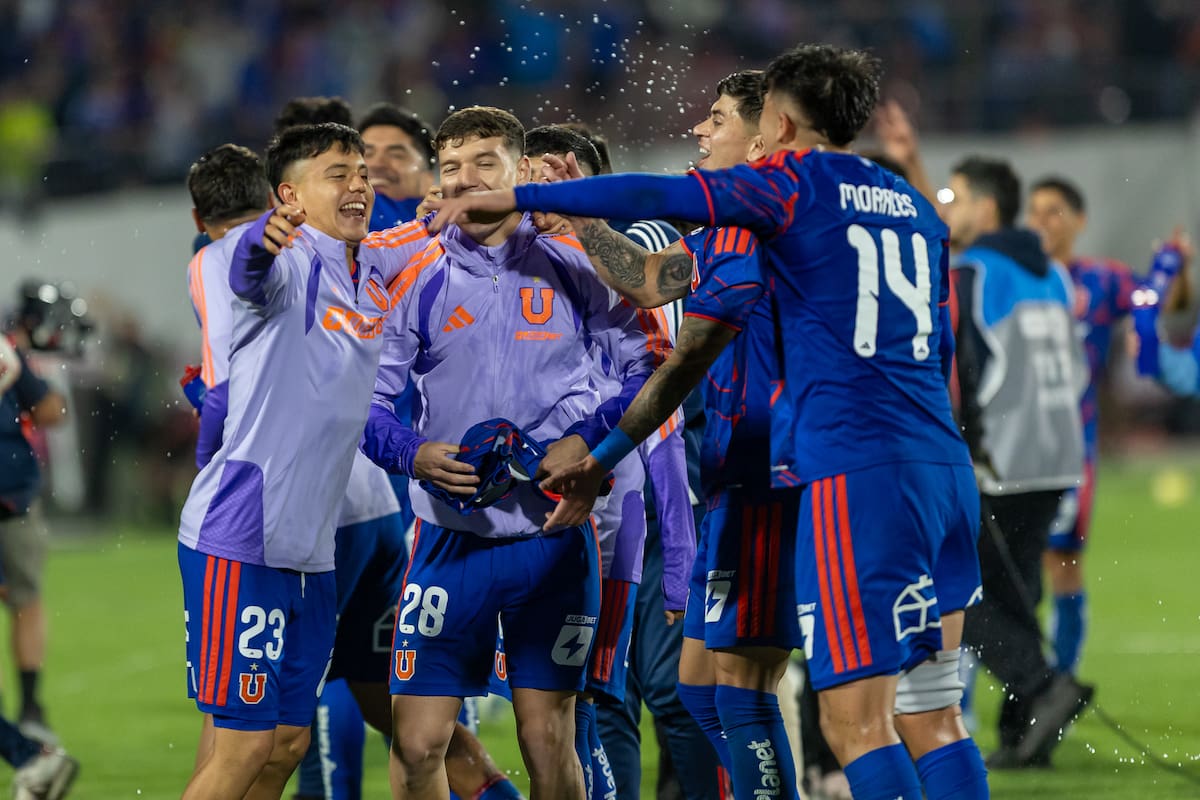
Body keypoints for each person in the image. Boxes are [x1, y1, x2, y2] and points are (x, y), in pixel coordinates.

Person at [427, 43, 992, 800]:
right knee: (927, 711)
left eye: (728, 116)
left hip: (847, 468)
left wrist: (531, 202)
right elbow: (940, 345)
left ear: (777, 122)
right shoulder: (914, 206)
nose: (702, 130)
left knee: (851, 722)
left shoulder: (781, 189)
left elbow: (656, 209)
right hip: (940, 462)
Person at [359, 106, 658, 800]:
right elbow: (366, 404)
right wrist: (412, 453)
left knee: (548, 739)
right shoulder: (407, 265)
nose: (466, 182)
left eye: (485, 164)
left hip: (552, 538)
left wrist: (592, 443)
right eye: (452, 168)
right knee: (416, 743)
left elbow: (648, 368)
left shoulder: (578, 263)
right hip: (446, 539)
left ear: (523, 172)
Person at [536, 72, 807, 800]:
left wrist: (601, 455)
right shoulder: (723, 230)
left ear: (762, 134)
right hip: (728, 474)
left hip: (769, 470)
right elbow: (652, 280)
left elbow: (683, 361)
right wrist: (579, 222)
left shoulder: (773, 224)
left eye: (716, 119)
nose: (700, 130)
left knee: (764, 693)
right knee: (696, 688)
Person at [177, 122, 410, 799]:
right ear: (289, 196)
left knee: (286, 742)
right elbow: (246, 266)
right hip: (242, 538)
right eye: (337, 172)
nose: (359, 183)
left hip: (313, 550)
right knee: (244, 744)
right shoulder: (287, 259)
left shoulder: (365, 272)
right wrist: (262, 237)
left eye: (361, 171)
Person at [521, 124, 698, 800]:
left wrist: (678, 542)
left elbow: (665, 396)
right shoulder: (533, 252)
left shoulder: (644, 238)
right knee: (597, 694)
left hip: (655, 486)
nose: (541, 193)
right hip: (586, 487)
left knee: (667, 686)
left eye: (555, 177)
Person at [941, 156, 1093, 768]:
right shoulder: (1053, 273)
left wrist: (961, 443)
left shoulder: (972, 272)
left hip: (1003, 455)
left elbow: (964, 370)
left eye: (956, 196)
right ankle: (1024, 734)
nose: (949, 208)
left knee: (966, 593)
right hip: (1058, 455)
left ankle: (1043, 687)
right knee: (1018, 591)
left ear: (986, 208)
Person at [1025, 176, 1137, 679]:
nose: (1042, 222)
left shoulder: (1101, 280)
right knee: (996, 569)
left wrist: (1149, 319)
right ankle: (964, 698)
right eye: (1035, 212)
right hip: (1011, 450)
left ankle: (1061, 681)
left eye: (1053, 211)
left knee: (1063, 564)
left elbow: (1159, 299)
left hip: (1072, 451)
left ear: (1079, 219)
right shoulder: (1018, 276)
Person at [0, 335, 78, 800]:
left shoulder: (8, 352)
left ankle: (30, 752)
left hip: (14, 501)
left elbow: (51, 409)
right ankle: (30, 757)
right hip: (14, 496)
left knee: (26, 599)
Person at [358, 102, 438, 229]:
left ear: (427, 180)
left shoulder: (451, 236)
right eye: (366, 153)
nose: (377, 164)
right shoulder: (329, 222)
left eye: (396, 155)